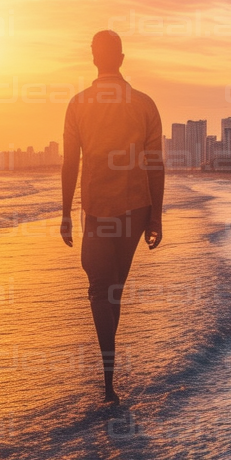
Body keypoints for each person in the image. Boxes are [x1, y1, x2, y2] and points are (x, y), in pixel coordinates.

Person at [60, 30, 164, 404]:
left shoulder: (78, 104)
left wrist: (65, 214)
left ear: (93, 59)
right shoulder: (144, 104)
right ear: (121, 59)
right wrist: (156, 218)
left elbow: (71, 163)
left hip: (96, 207)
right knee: (110, 289)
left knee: (100, 289)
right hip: (136, 208)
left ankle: (108, 383)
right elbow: (155, 165)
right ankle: (108, 380)